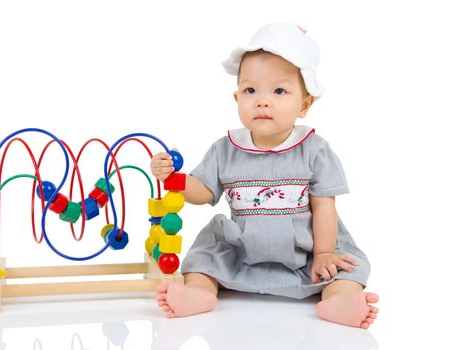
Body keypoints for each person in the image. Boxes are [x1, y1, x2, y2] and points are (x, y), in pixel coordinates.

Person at [150, 23, 379, 329]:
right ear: (237, 98)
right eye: (250, 90)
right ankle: (199, 292)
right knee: (203, 257)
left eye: (279, 90)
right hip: (242, 249)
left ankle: (339, 298)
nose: (262, 100)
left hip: (306, 249)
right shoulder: (226, 149)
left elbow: (325, 206)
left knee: (345, 265)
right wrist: (174, 179)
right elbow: (202, 191)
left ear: (305, 104)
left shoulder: (314, 150)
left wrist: (324, 252)